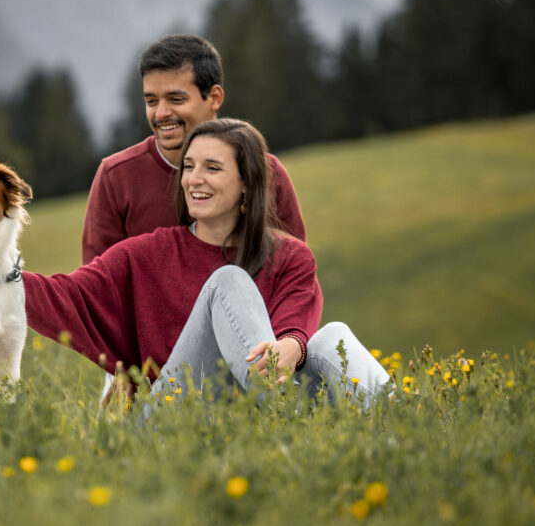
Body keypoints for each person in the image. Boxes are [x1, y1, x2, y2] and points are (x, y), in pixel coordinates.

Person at [24, 119, 391, 409]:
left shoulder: (290, 256)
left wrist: (294, 345)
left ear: (246, 183)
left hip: (256, 407)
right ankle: (284, 416)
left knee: (333, 337)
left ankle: (405, 420)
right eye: (188, 166)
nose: (193, 179)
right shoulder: (145, 254)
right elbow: (64, 296)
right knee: (227, 281)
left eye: (212, 168)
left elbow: (295, 325)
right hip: (175, 420)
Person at [81, 34, 305, 265]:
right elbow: (98, 289)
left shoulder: (264, 171)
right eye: (151, 101)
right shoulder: (116, 177)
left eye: (176, 99)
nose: (161, 113)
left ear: (214, 98)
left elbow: (293, 274)